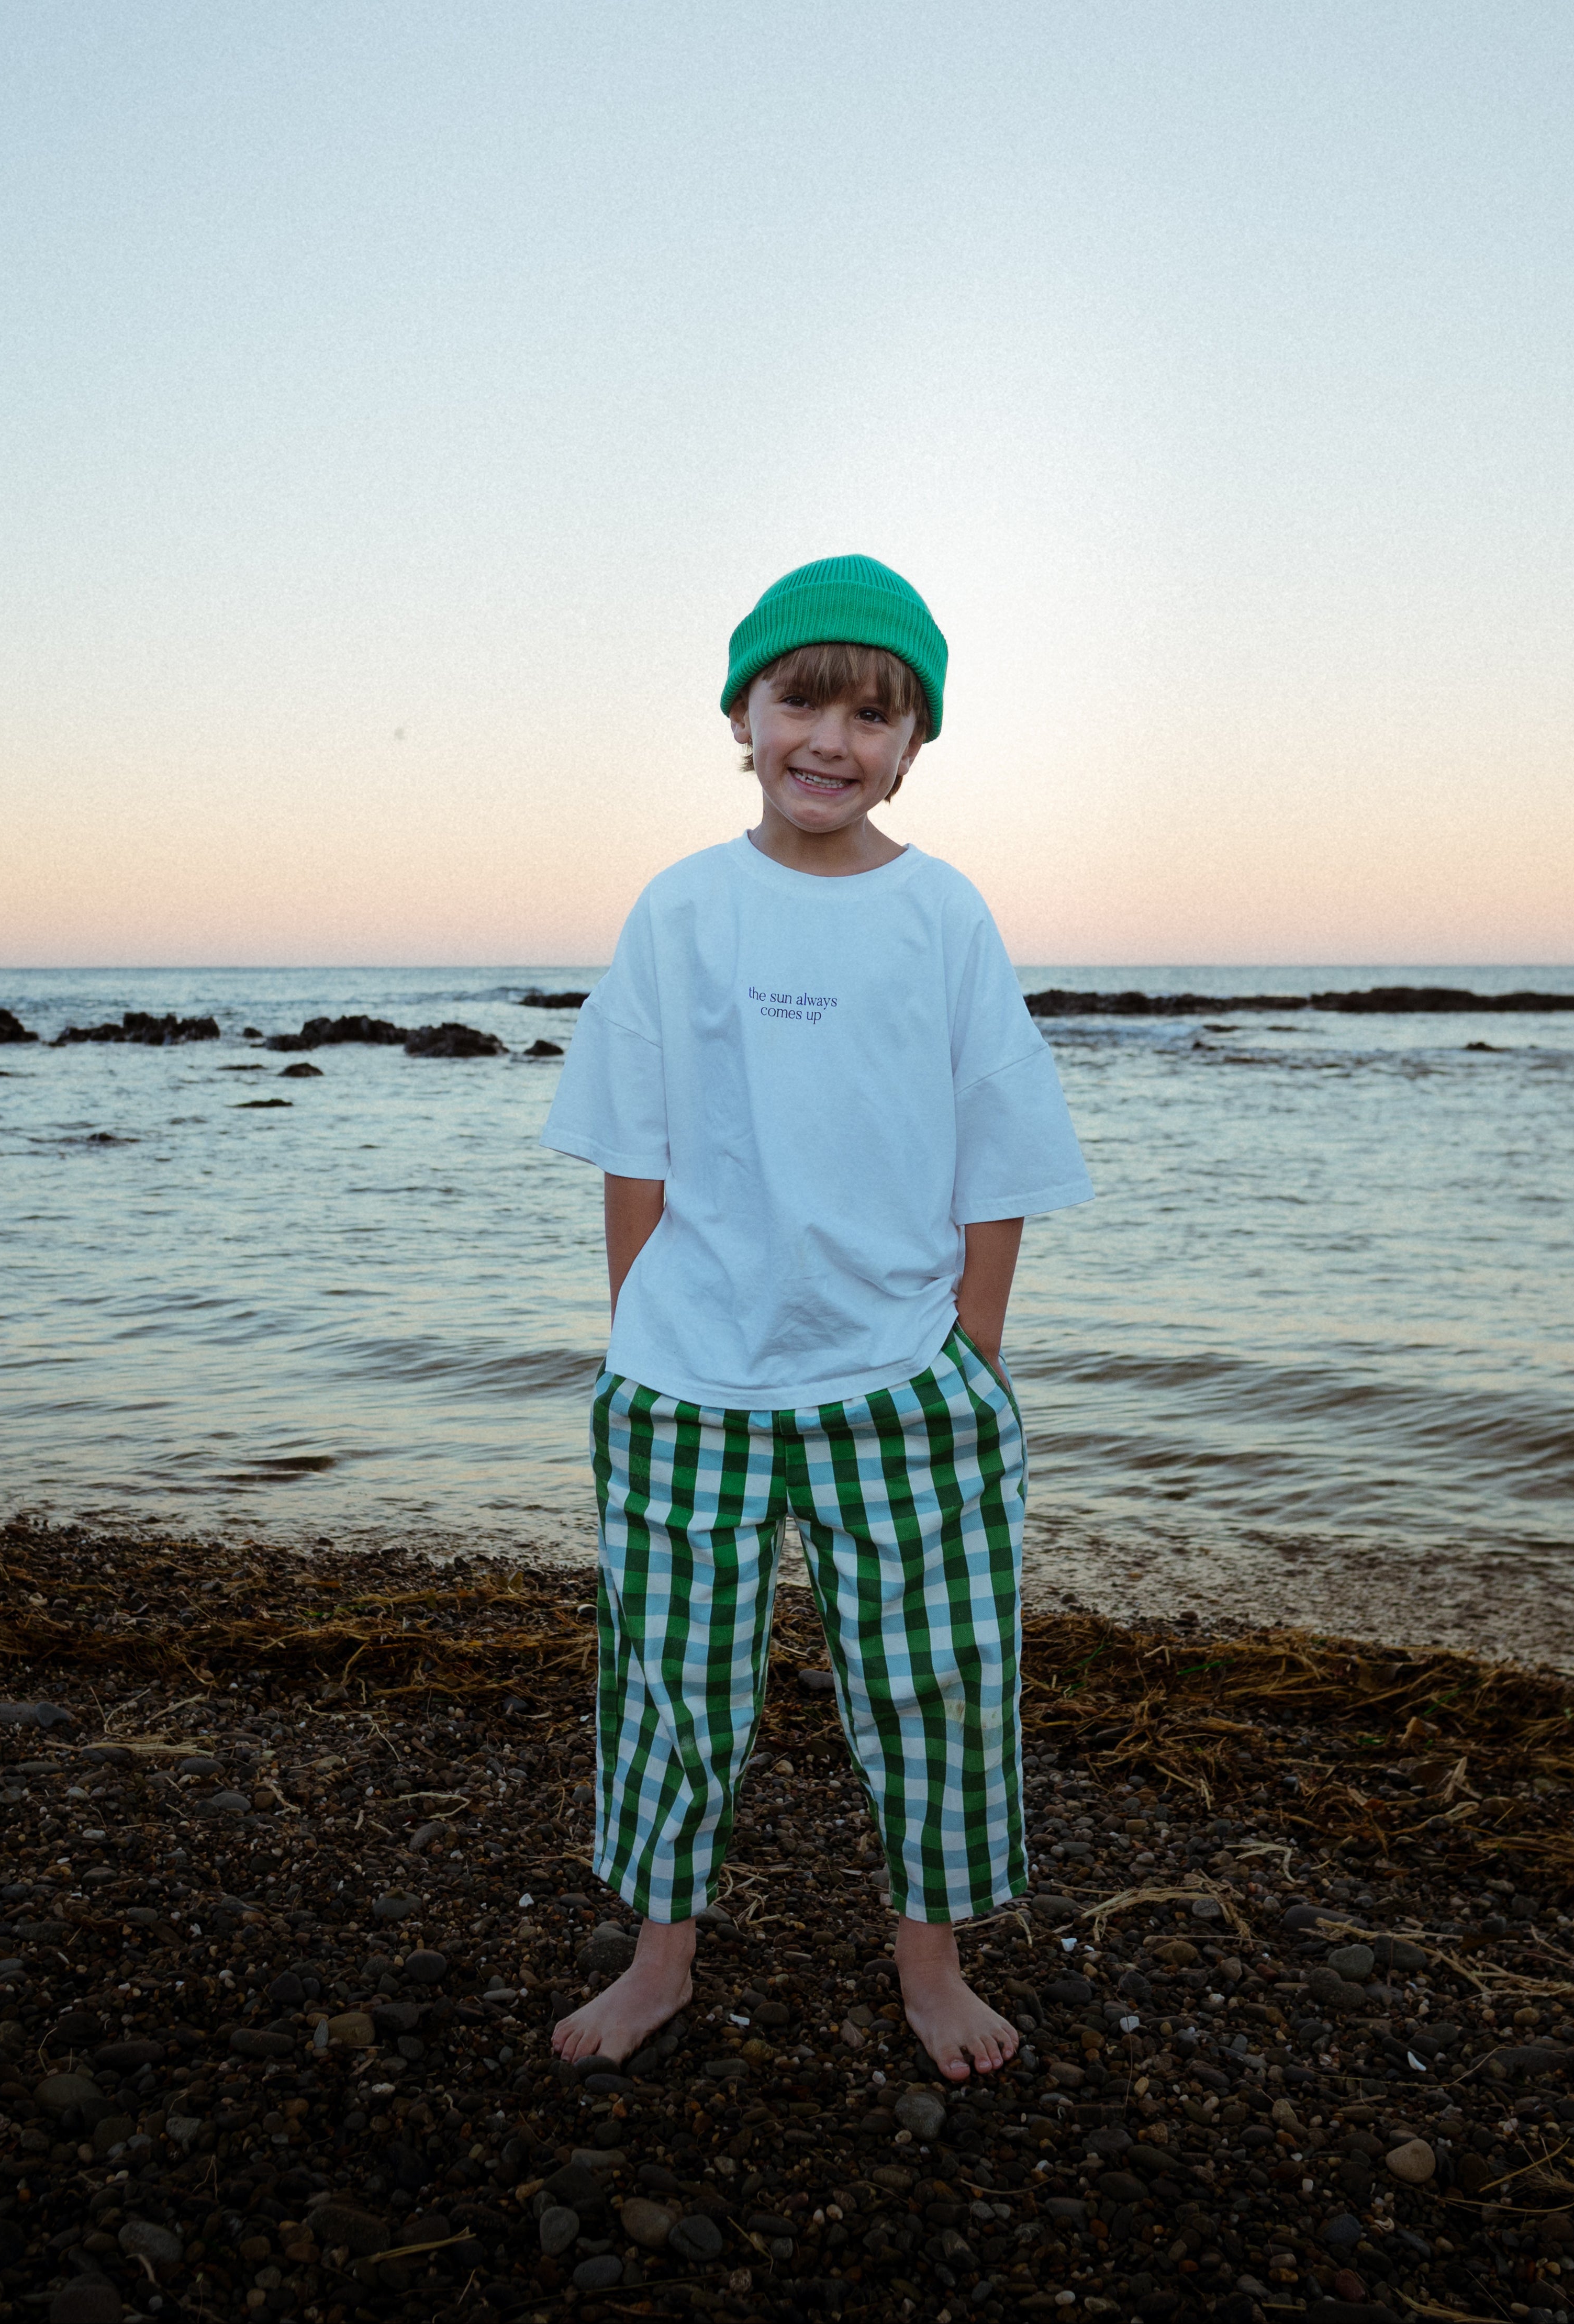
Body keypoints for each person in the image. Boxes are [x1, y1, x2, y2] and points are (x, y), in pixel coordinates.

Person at [538, 553, 1092, 2081]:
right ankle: (660, 1961)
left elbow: (1000, 1146)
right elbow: (635, 1139)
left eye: (875, 712)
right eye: (802, 700)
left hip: (901, 1375)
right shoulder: (685, 906)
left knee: (936, 1681)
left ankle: (933, 1964)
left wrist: (968, 1354)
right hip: (686, 1378)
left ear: (915, 740)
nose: (832, 741)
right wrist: (641, 1331)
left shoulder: (942, 913)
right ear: (744, 713)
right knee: (670, 1681)